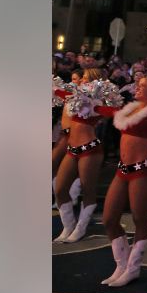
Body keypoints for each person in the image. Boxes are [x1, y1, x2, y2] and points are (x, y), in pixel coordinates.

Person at [98, 75, 147, 287]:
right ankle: (121, 265)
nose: (137, 88)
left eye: (143, 85)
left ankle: (133, 269)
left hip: (143, 171)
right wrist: (81, 101)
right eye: (138, 84)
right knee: (108, 219)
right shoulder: (130, 108)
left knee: (139, 219)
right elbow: (107, 112)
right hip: (122, 170)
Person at [53, 68, 111, 243]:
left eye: (86, 78)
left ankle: (80, 228)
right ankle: (68, 226)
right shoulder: (76, 95)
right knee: (60, 188)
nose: (82, 80)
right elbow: (63, 95)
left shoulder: (97, 99)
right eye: (83, 77)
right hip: (72, 149)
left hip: (90, 149)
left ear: (96, 81)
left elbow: (105, 112)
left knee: (88, 191)